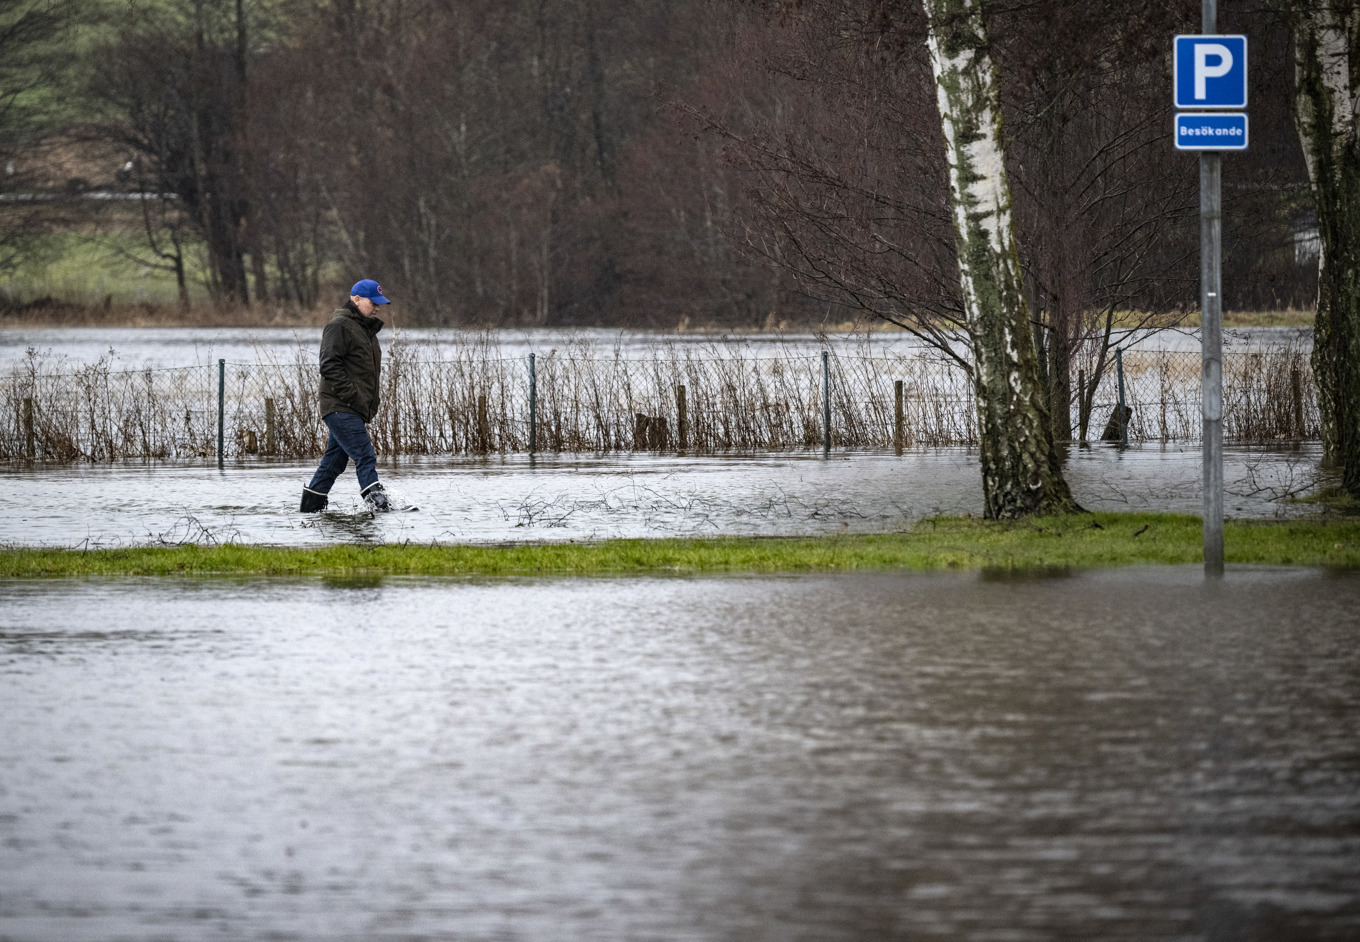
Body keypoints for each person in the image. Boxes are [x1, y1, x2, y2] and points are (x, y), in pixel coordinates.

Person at [299, 279, 394, 513]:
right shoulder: (339, 325)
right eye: (374, 303)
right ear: (357, 299)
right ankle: (380, 507)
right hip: (341, 407)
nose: (378, 308)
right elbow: (329, 365)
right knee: (365, 454)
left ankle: (309, 510)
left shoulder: (365, 328)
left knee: (334, 463)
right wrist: (353, 396)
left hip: (352, 407)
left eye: (380, 304)